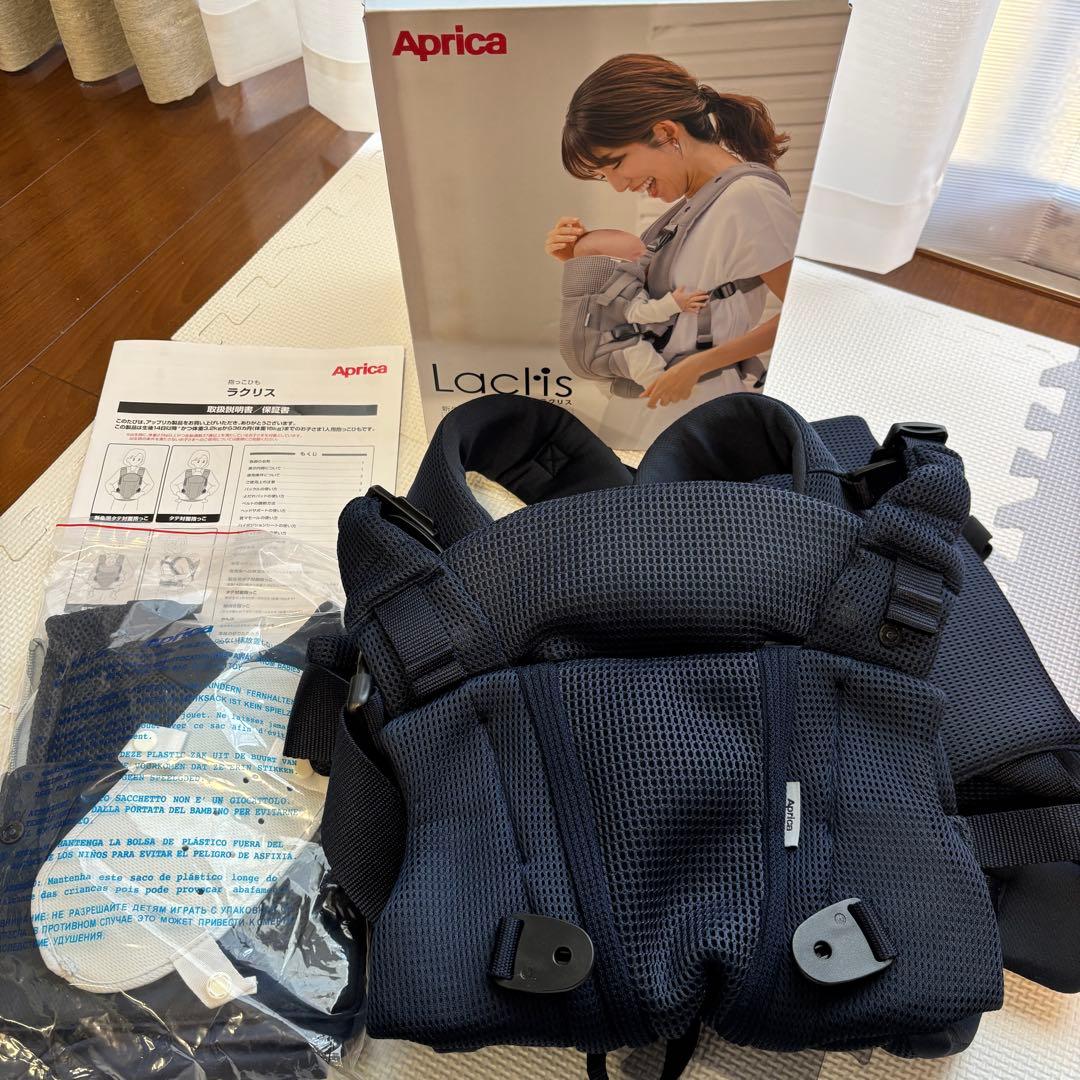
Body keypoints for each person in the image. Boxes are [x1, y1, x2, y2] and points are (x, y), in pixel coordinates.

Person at [546, 53, 797, 410]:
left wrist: (699, 365)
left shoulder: (749, 197)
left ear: (665, 133)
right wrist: (580, 258)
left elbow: (810, 314)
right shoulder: (696, 205)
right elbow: (649, 311)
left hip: (704, 407)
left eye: (617, 163)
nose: (618, 185)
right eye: (605, 176)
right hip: (668, 409)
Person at [573, 226, 709, 386]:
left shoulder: (593, 289)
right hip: (615, 347)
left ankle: (614, 393)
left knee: (608, 382)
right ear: (609, 266)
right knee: (640, 354)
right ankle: (660, 387)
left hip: (593, 350)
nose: (650, 259)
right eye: (638, 256)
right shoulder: (624, 289)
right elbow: (638, 313)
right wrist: (674, 304)